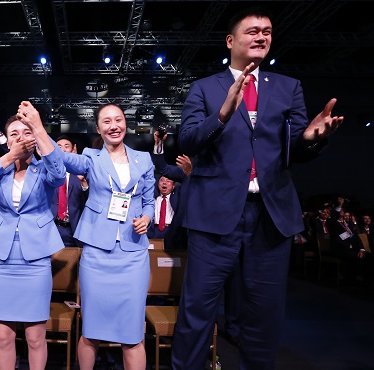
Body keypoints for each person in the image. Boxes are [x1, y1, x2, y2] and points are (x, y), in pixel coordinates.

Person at [171, 6, 344, 369]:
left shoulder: (287, 87)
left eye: (266, 31)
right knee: (197, 309)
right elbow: (187, 140)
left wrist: (312, 139)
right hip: (213, 218)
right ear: (231, 40)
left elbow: (295, 148)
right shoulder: (205, 88)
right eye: (252, 31)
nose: (261, 36)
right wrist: (223, 113)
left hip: (270, 216)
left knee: (264, 314)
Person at [61, 103, 155, 370]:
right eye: (107, 122)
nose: (114, 126)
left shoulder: (143, 159)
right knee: (91, 330)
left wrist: (147, 218)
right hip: (97, 255)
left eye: (118, 120)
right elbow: (62, 159)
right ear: (98, 129)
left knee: (133, 333)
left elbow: (149, 201)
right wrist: (37, 128)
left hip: (133, 255)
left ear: (125, 123)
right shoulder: (91, 157)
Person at [0, 103, 66, 370]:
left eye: (26, 132)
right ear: (6, 139)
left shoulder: (44, 168)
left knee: (35, 336)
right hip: (1, 258)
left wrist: (38, 128)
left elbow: (60, 175)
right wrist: (8, 157)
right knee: (3, 335)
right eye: (13, 133)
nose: (20, 138)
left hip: (35, 258)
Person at [52, 135, 88, 247]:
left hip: (74, 229)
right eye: (58, 147)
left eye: (66, 146)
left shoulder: (82, 172)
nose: (62, 150)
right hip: (52, 228)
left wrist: (84, 183)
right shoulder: (49, 173)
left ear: (73, 150)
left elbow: (90, 200)